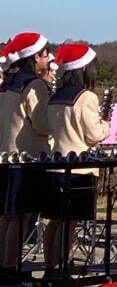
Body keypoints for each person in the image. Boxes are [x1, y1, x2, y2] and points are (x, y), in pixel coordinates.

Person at [42, 43, 110, 277]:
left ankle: (50, 265)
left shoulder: (56, 95)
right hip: (79, 167)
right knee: (69, 222)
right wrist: (106, 125)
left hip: (55, 164)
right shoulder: (86, 97)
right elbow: (94, 134)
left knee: (53, 221)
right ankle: (61, 266)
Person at [0, 32, 53, 280]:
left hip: (5, 154)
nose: (49, 58)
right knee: (22, 215)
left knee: (7, 215)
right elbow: (42, 124)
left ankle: (3, 262)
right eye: (44, 54)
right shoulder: (34, 85)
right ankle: (11, 267)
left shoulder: (7, 82)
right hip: (27, 156)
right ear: (34, 57)